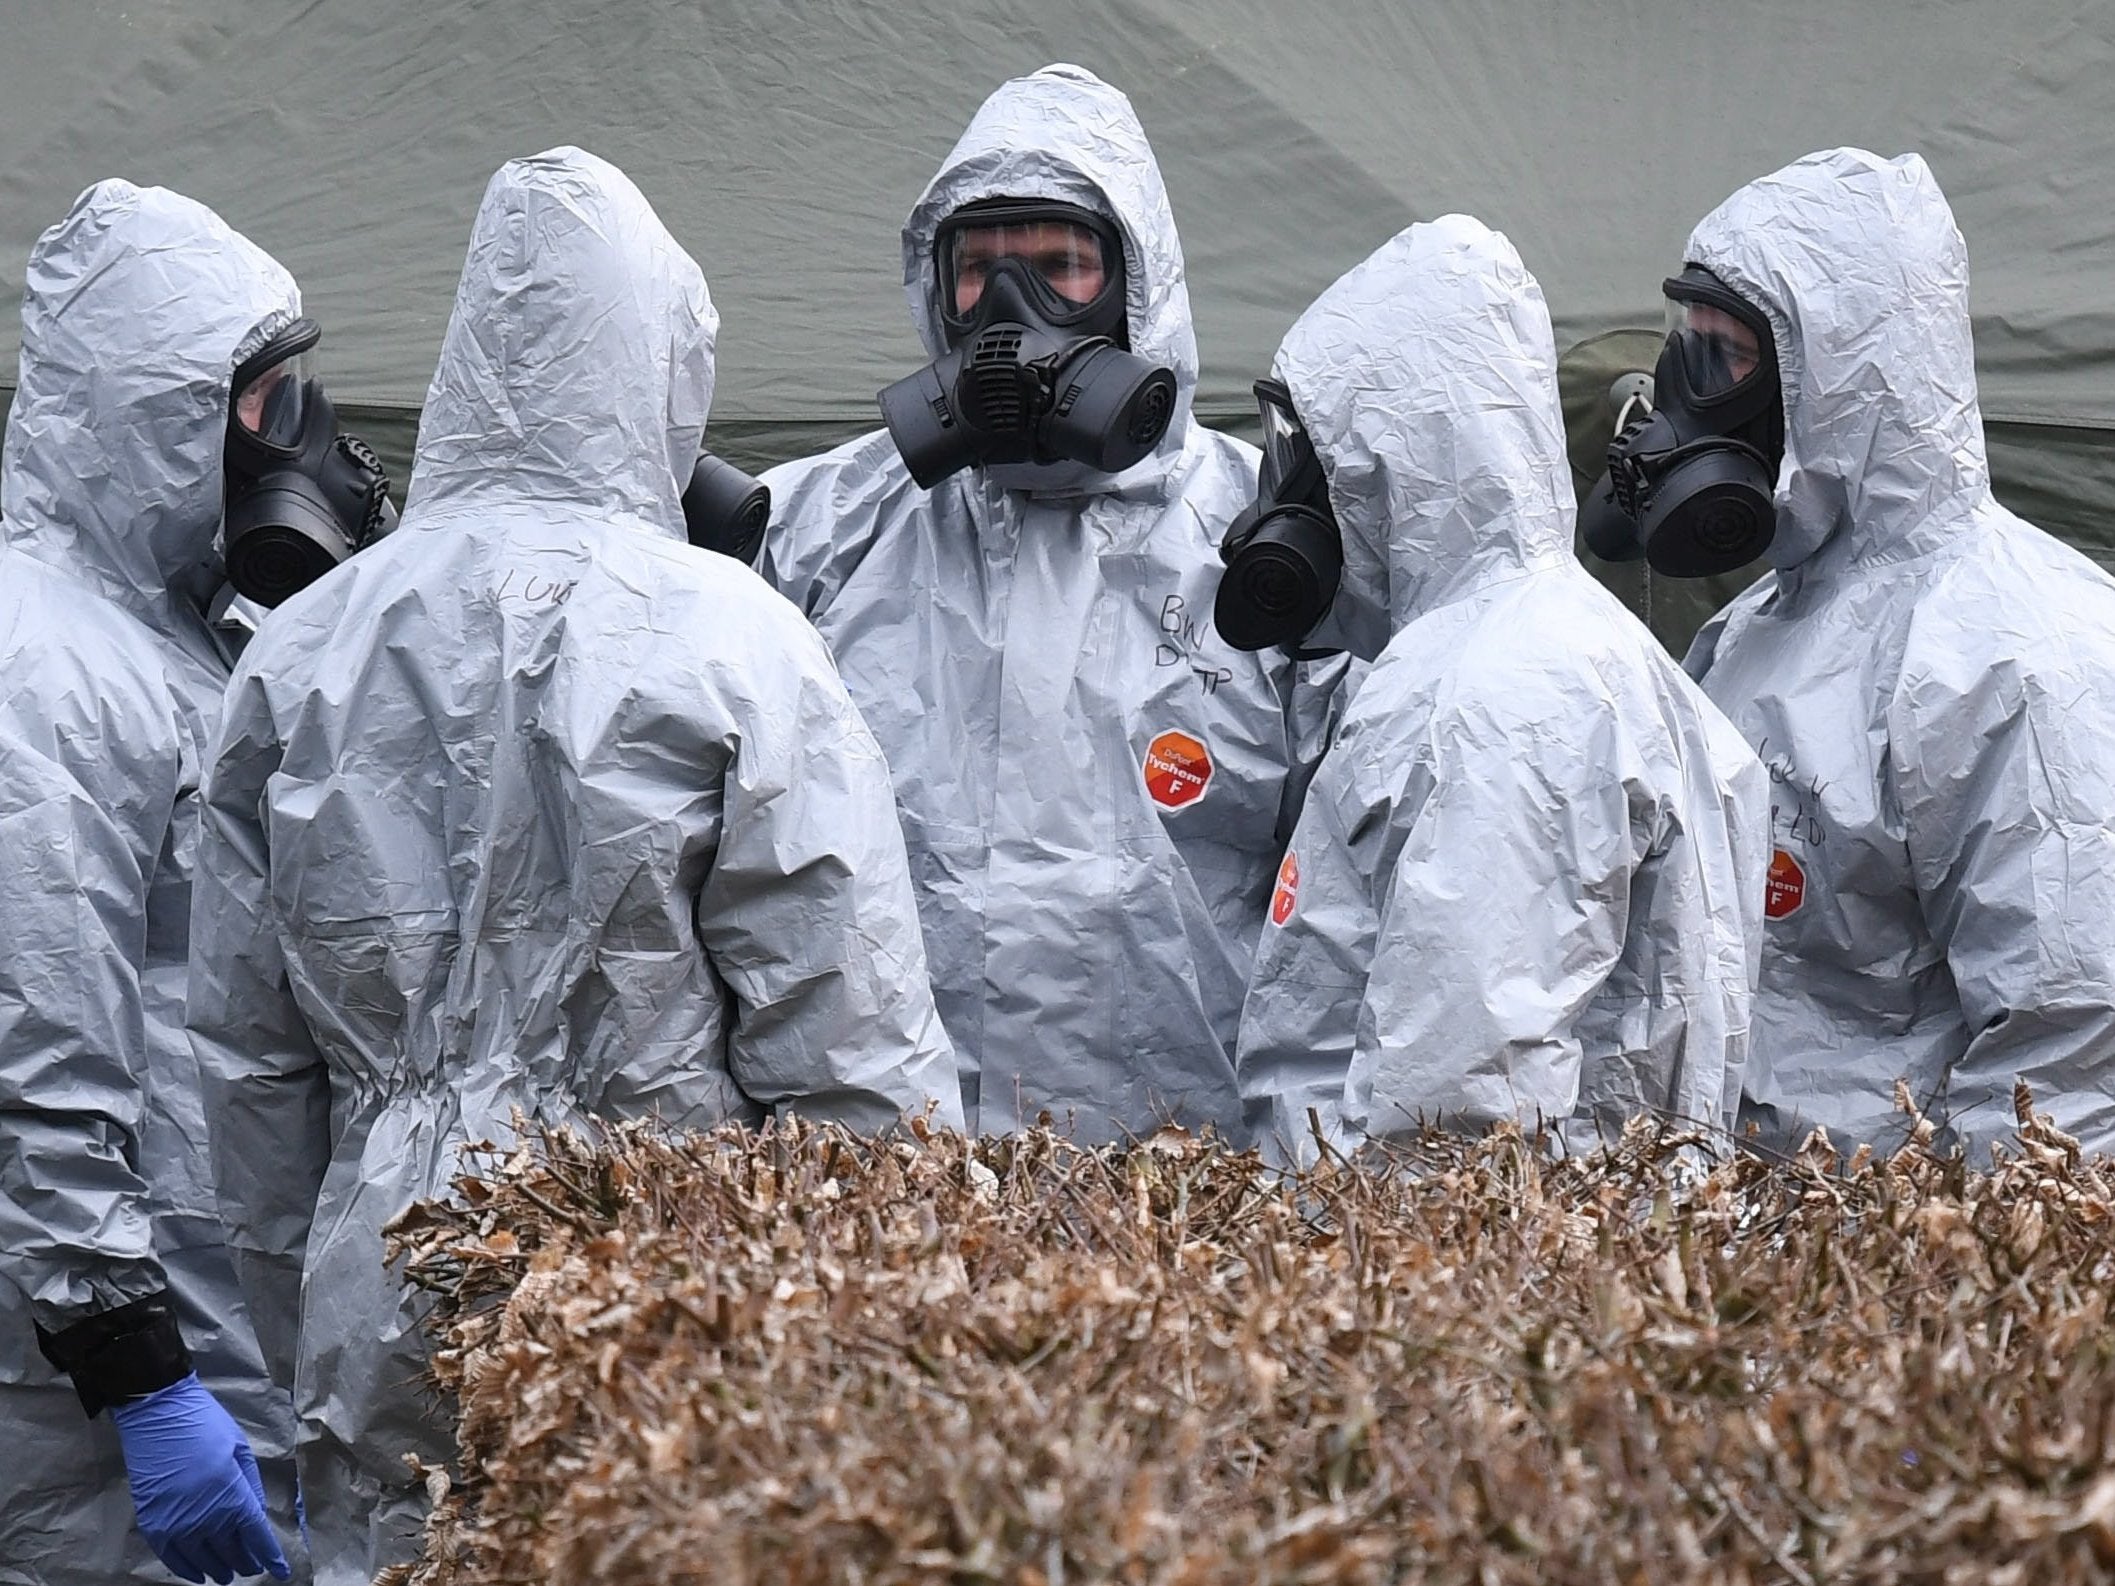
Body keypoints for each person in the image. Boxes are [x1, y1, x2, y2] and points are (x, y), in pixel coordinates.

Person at [187, 148, 961, 1584]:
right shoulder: (733, 639)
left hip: (384, 1267)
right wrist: (894, 1349)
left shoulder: (301, 649)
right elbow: (845, 1038)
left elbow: (247, 1057)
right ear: (662, 367)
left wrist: (306, 1299)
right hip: (664, 1276)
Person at [763, 64, 1343, 1143]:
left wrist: (1298, 1180)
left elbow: (1343, 922)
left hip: (1187, 1177)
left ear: (1141, 285)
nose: (1010, 314)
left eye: (1060, 267)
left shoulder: (1263, 546)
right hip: (894, 1191)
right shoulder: (818, 533)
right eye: (977, 270)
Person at [1228, 216, 1768, 1164]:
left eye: (1300, 446)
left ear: (1380, 451)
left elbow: (1450, 1128)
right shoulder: (1521, 654)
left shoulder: (1498, 700)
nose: (1285, 492)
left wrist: (1348, 1283)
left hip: (1426, 1288)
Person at [1670, 149, 2115, 1158]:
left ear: (1838, 371)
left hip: (1893, 1282)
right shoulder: (1751, 630)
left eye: (1724, 358)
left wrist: (1946, 1290)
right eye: (1686, 351)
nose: (1688, 399)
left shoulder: (2026, 657)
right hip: (1728, 1274)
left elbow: (2074, 1060)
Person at [0, 181, 301, 1584]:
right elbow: (38, 1039)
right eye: (263, 406)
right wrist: (131, 1363)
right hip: (84, 1385)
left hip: (198, 1303)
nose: (292, 443)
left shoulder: (175, 637)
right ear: (159, 411)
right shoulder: (40, 660)